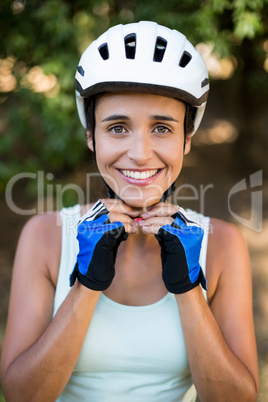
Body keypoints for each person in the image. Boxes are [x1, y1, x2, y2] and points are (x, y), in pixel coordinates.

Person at [1, 21, 259, 401]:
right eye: (118, 127)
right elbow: (22, 395)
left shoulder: (222, 245)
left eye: (162, 128)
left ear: (186, 139)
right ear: (91, 136)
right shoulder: (45, 236)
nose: (139, 152)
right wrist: (86, 286)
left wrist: (189, 291)